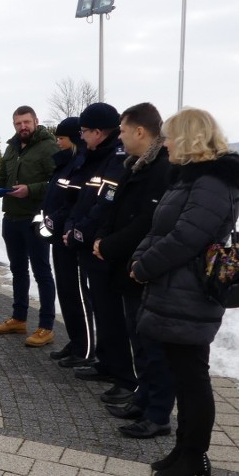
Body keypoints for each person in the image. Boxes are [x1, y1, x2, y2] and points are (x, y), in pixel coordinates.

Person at [130, 108, 239, 475]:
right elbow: (160, 228)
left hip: (190, 292)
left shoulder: (212, 182)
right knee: (182, 375)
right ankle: (184, 451)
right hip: (174, 289)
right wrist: (140, 256)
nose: (167, 143)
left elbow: (186, 238)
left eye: (171, 136)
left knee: (192, 378)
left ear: (190, 138)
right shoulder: (187, 179)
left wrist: (145, 266)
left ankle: (194, 457)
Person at [92, 103, 175, 439]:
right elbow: (116, 209)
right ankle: (142, 398)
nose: (121, 136)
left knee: (152, 346)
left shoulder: (161, 169)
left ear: (140, 131)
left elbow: (146, 222)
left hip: (141, 267)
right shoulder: (136, 166)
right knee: (138, 340)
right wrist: (102, 238)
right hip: (125, 266)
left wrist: (109, 245)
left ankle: (158, 414)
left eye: (123, 130)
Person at [63, 102, 136, 404]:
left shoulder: (116, 159)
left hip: (101, 248)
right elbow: (84, 198)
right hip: (89, 243)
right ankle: (107, 363)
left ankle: (124, 376)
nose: (81, 137)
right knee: (103, 312)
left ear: (98, 132)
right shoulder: (97, 157)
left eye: (83, 132)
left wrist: (82, 231)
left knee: (111, 314)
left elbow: (105, 204)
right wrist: (73, 224)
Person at [0, 105, 58, 347]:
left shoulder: (49, 147)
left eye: (26, 122)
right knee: (18, 270)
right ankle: (18, 319)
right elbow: (4, 180)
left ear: (36, 121)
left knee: (42, 272)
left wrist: (31, 189)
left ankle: (46, 326)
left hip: (36, 218)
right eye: (18, 123)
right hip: (12, 218)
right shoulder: (11, 147)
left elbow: (56, 184)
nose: (23, 127)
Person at [40, 116, 95, 366]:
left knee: (77, 294)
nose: (57, 143)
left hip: (70, 236)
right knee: (66, 291)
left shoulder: (80, 164)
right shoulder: (64, 164)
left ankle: (85, 349)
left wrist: (58, 220)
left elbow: (75, 202)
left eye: (61, 138)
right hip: (58, 235)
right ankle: (75, 341)